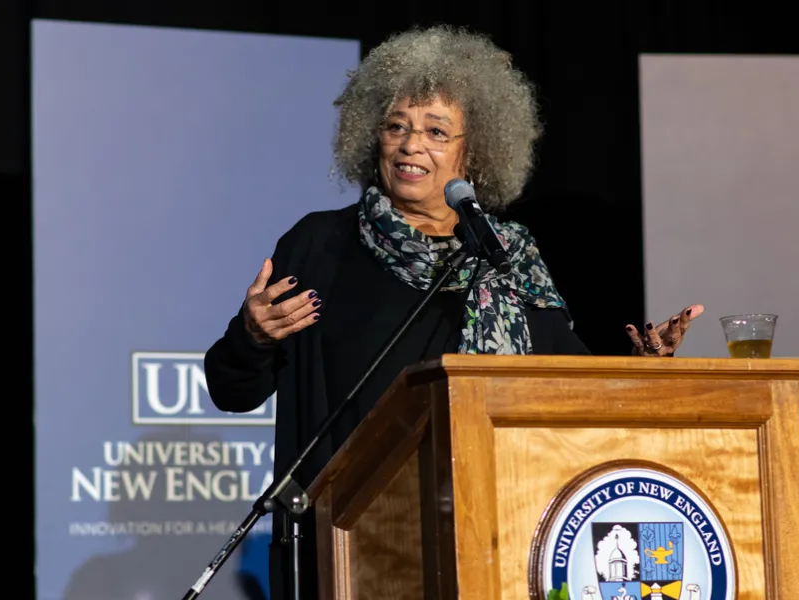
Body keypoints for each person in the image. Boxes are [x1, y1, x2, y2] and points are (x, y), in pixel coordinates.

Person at [203, 25, 703, 599]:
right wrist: (253, 335)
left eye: (436, 132)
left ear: (476, 153)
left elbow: (571, 389)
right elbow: (230, 388)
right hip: (353, 540)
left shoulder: (507, 255)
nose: (411, 145)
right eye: (396, 127)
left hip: (492, 530)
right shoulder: (320, 246)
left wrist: (643, 365)